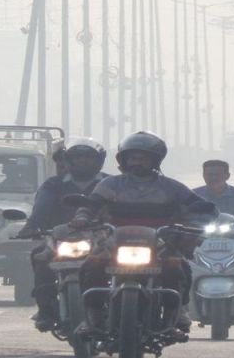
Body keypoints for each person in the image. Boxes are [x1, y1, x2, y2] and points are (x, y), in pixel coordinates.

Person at [69, 131, 212, 334]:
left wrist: (196, 225)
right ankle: (92, 317)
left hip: (160, 241)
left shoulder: (172, 187)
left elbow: (201, 208)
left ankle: (175, 314)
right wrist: (82, 218)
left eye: (143, 158)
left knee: (178, 268)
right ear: (124, 160)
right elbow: (90, 205)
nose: (137, 162)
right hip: (114, 240)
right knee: (91, 267)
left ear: (155, 161)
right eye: (133, 158)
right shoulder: (109, 184)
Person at [16, 138, 109, 331]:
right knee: (40, 257)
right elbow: (41, 209)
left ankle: (121, 305)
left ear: (99, 160)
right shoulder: (53, 184)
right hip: (60, 238)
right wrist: (31, 227)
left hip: (101, 239)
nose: (82, 161)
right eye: (77, 157)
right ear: (68, 160)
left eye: (88, 157)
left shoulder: (110, 183)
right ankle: (46, 310)